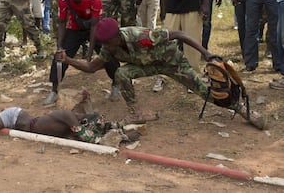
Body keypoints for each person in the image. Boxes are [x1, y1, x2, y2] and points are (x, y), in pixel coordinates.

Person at [56, 17, 266, 129]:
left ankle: (242, 109)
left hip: (171, 62)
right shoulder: (109, 47)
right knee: (120, 73)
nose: (107, 47)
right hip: (148, 66)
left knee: (204, 90)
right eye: (104, 44)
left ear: (118, 36)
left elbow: (180, 34)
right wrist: (68, 60)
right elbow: (92, 67)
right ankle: (136, 114)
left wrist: (206, 53)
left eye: (108, 43)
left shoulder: (142, 35)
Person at [44, 0, 120, 106]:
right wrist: (59, 45)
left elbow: (94, 26)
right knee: (60, 57)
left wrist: (89, 53)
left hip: (93, 27)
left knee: (108, 53)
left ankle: (116, 83)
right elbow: (62, 23)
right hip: (74, 28)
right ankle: (54, 90)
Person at [0, 100, 140, 143]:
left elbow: (104, 128)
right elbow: (93, 138)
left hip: (15, 121)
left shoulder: (78, 124)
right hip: (13, 117)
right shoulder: (70, 118)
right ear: (84, 120)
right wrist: (123, 138)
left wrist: (123, 131)